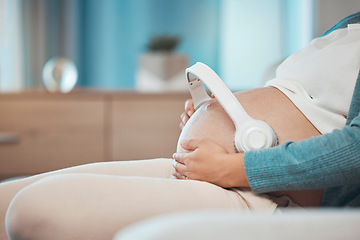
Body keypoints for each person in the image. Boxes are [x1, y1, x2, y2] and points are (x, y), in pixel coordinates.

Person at [1, 11, 360, 240]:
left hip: (264, 193)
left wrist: (234, 167)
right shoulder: (348, 25)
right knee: (4, 200)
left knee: (31, 212)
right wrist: (221, 113)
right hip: (208, 172)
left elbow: (355, 149)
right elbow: (299, 100)